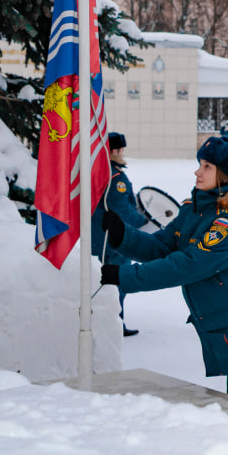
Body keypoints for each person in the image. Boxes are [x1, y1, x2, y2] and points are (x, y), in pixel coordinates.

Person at [100, 136, 228, 406]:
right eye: (200, 164)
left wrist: (125, 276)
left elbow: (186, 265)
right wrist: (123, 235)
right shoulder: (195, 210)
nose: (197, 172)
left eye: (207, 167)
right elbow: (163, 246)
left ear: (225, 175)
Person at [92, 132, 147, 336]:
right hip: (113, 240)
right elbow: (121, 211)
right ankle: (114, 326)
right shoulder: (115, 177)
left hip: (99, 236)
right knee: (117, 283)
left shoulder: (99, 170)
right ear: (114, 151)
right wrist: (142, 220)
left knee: (104, 282)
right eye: (122, 150)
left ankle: (104, 323)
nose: (123, 153)